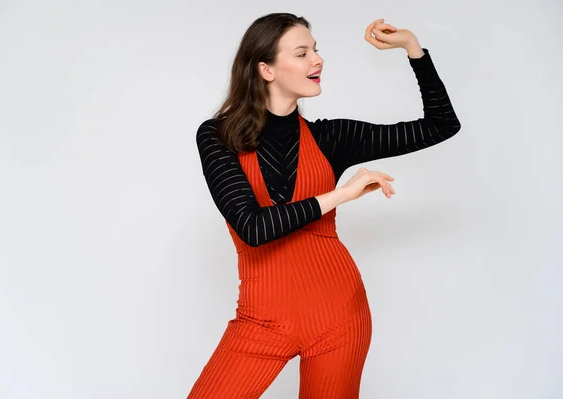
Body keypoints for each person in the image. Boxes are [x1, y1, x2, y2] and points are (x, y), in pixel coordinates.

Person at [188, 12, 461, 399]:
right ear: (266, 69)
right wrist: (340, 195)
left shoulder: (332, 137)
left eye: (315, 50)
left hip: (339, 315)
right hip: (262, 320)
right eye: (302, 53)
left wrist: (412, 48)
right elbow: (253, 228)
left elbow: (440, 125)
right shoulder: (219, 137)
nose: (318, 60)